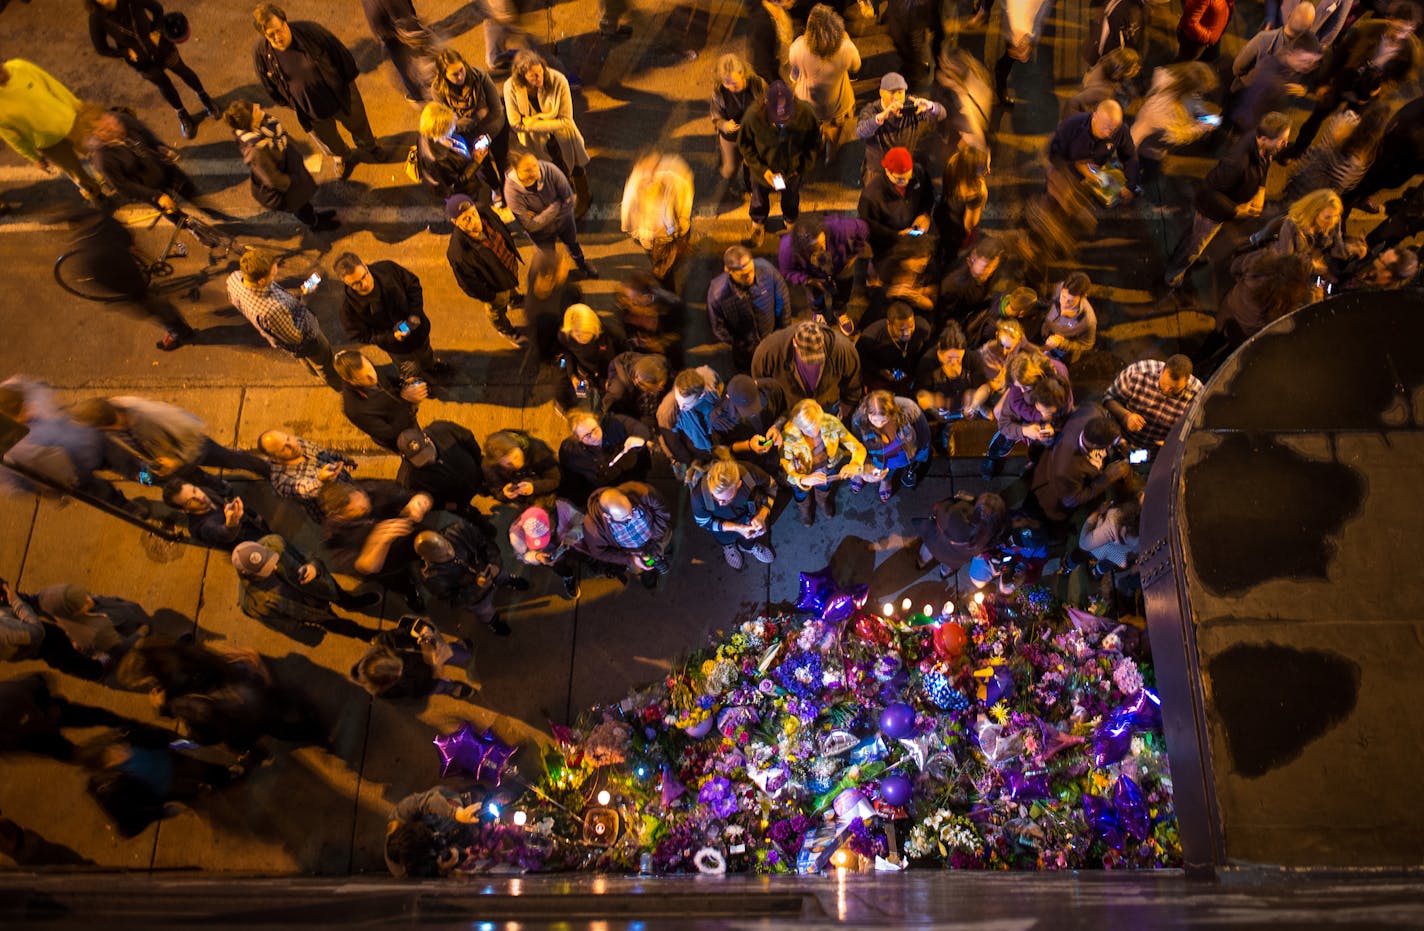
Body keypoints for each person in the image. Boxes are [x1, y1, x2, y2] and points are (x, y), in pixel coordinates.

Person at [252, 2, 381, 178]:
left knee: (358, 122)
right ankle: (342, 157)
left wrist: (348, 83)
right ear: (264, 35)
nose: (277, 37)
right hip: (310, 112)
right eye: (271, 35)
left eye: (279, 29)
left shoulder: (310, 32)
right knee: (329, 141)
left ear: (285, 21)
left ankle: (368, 145)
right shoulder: (261, 53)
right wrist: (293, 103)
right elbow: (269, 85)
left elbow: (339, 53)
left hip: (339, 95)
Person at [1164, 112, 1290, 289]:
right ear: (1263, 139)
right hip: (1211, 212)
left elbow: (1265, 163)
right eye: (1282, 140)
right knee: (1196, 243)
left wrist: (1260, 190)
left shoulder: (1263, 147)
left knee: (1193, 238)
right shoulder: (1236, 162)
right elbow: (1210, 193)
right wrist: (1238, 211)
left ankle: (1184, 259)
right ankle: (1174, 274)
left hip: (1223, 208)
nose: (1285, 144)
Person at [1286, 2, 1423, 158]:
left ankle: (1326, 160)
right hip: (1341, 83)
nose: (1400, 35)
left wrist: (1381, 89)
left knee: (1346, 132)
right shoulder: (1368, 29)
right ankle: (1297, 150)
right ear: (1390, 19)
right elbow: (1339, 55)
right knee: (1315, 118)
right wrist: (1323, 82)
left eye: (1407, 31)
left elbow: (1403, 79)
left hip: (1365, 97)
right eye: (1398, 28)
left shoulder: (1411, 52)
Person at [60, 210, 200, 351]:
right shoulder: (104, 221)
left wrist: (112, 298)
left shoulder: (89, 249)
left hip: (127, 284)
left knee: (151, 306)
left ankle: (179, 332)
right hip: (130, 268)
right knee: (151, 302)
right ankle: (177, 327)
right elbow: (126, 238)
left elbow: (100, 278)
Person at [71, 395, 268, 488]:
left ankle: (268, 471)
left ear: (104, 425)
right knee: (199, 481)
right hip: (166, 465)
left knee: (232, 459)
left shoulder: (149, 415)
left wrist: (178, 461)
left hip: (190, 451)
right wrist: (148, 479)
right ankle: (221, 489)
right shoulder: (111, 432)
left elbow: (192, 427)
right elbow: (133, 470)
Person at [86, 0, 217, 139]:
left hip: (161, 47)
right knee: (165, 85)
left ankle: (205, 98)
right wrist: (125, 52)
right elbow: (101, 48)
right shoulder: (96, 18)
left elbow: (157, 8)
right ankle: (183, 115)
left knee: (182, 70)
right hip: (141, 62)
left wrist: (156, 30)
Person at [0, 378, 134, 512]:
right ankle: (136, 510)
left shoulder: (16, 390)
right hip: (77, 476)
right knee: (107, 496)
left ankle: (149, 480)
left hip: (93, 443)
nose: (29, 410)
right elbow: (16, 483)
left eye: (25, 405)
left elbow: (35, 386)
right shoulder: (15, 448)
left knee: (133, 468)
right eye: (22, 412)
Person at [232, 535, 380, 645]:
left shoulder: (274, 543)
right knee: (338, 625)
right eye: (265, 569)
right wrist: (311, 637)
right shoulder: (253, 603)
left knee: (340, 595)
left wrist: (313, 567)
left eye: (270, 559)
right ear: (249, 574)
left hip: (321, 587)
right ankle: (363, 634)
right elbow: (286, 626)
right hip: (311, 611)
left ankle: (352, 603)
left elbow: (307, 556)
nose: (275, 566)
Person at [226, 249, 342, 388]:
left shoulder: (234, 278)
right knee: (324, 363)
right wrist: (305, 298)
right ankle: (338, 384)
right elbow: (297, 337)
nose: (276, 276)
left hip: (286, 340)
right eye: (273, 274)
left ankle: (316, 373)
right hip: (309, 339)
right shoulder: (271, 311)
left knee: (305, 360)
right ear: (261, 281)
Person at [223, 100, 338, 232]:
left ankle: (314, 217)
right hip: (285, 188)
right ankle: (315, 224)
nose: (258, 108)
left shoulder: (263, 127)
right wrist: (295, 182)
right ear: (250, 122)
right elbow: (274, 180)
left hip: (289, 171)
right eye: (254, 110)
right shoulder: (256, 151)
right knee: (300, 206)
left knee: (304, 202)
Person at [0, 58, 105, 202]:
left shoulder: (20, 66)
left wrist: (76, 104)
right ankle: (96, 195)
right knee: (77, 174)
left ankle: (113, 177)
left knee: (100, 152)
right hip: (49, 144)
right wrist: (34, 158)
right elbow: (13, 138)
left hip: (70, 122)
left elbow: (51, 84)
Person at [335, 252, 446, 381]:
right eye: (356, 284)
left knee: (426, 353)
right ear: (346, 283)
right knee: (410, 369)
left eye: (364, 276)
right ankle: (418, 385)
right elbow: (362, 335)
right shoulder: (347, 309)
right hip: (396, 348)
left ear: (365, 266)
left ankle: (431, 367)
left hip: (418, 332)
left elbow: (413, 286)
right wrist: (391, 337)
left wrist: (415, 314)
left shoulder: (387, 269)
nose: (365, 284)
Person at [321, 481, 431, 609]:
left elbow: (412, 495)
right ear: (338, 515)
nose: (367, 506)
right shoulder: (335, 537)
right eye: (359, 510)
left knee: (428, 551)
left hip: (411, 537)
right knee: (401, 583)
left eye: (364, 498)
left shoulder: (369, 488)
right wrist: (379, 541)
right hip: (389, 567)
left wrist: (420, 501)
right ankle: (411, 594)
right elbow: (366, 568)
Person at [503, 51, 590, 211]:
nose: (540, 77)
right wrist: (542, 123)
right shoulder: (511, 87)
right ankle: (565, 197)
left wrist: (531, 122)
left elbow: (565, 120)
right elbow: (515, 124)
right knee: (549, 171)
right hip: (534, 142)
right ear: (522, 77)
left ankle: (584, 198)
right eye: (533, 76)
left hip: (562, 136)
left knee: (575, 166)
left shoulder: (558, 80)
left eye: (541, 71)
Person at [737, 80, 820, 247]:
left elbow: (814, 142)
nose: (783, 121)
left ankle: (791, 224)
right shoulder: (753, 117)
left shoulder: (806, 114)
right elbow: (745, 145)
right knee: (758, 199)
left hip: (792, 172)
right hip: (762, 173)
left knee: (791, 199)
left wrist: (803, 166)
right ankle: (758, 224)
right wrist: (763, 171)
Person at [85, 110, 209, 218]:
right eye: (104, 129)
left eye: (110, 121)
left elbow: (144, 132)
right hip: (149, 188)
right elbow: (124, 187)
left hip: (163, 167)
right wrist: (156, 197)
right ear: (97, 135)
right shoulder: (103, 160)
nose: (113, 127)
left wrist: (159, 146)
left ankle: (209, 212)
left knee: (192, 193)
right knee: (175, 214)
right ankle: (195, 230)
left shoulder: (121, 119)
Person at [414, 516, 524, 637]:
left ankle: (509, 581)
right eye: (443, 557)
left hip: (490, 569)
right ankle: (493, 622)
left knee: (502, 576)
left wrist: (494, 563)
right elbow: (456, 600)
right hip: (477, 598)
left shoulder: (458, 530)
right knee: (485, 611)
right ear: (428, 558)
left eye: (448, 546)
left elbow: (485, 542)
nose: (450, 554)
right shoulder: (431, 577)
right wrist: (477, 587)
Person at [1029, 403, 1133, 523]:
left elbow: (1107, 422)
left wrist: (1122, 444)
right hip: (1065, 493)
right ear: (1096, 446)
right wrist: (1107, 478)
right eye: (1109, 444)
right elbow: (1072, 500)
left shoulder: (1093, 412)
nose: (1112, 444)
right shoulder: (1066, 470)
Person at [445, 193, 525, 347]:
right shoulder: (458, 253)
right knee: (496, 311)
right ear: (455, 222)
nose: (474, 220)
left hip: (508, 269)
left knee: (511, 288)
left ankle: (514, 299)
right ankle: (505, 330)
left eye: (473, 213)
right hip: (495, 287)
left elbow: (503, 230)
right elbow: (468, 284)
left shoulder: (486, 213)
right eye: (466, 219)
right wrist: (490, 296)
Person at [431, 50, 509, 203]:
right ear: (443, 75)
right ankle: (496, 189)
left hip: (494, 128)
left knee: (502, 160)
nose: (460, 76)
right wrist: (476, 118)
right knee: (483, 166)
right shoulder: (438, 90)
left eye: (461, 70)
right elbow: (448, 124)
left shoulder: (479, 76)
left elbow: (496, 110)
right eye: (454, 74)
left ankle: (508, 190)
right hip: (470, 136)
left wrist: (472, 125)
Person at [505, 152, 597, 280]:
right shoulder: (511, 191)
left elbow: (568, 199)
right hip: (541, 234)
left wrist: (538, 217)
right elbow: (529, 225)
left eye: (535, 164)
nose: (535, 171)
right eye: (527, 169)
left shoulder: (549, 170)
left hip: (564, 222)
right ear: (516, 171)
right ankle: (556, 278)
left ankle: (582, 265)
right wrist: (556, 205)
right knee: (548, 257)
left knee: (573, 244)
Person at [788, 4, 861, 164]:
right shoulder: (845, 48)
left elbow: (794, 69)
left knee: (811, 128)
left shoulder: (799, 47)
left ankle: (816, 147)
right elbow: (856, 66)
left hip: (808, 102)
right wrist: (846, 38)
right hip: (836, 103)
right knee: (835, 128)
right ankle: (831, 153)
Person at [780, 397, 865, 526]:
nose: (814, 432)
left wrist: (855, 463)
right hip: (802, 474)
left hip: (827, 468)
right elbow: (787, 467)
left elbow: (857, 447)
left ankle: (822, 501)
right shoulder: (787, 435)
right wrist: (802, 480)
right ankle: (805, 509)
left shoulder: (830, 422)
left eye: (817, 425)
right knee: (801, 494)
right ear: (797, 425)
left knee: (824, 488)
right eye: (807, 429)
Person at [751, 319, 862, 417]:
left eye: (816, 357)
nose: (812, 363)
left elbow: (853, 385)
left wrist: (845, 410)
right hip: (789, 411)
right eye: (807, 357)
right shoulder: (769, 351)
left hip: (826, 408)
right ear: (794, 343)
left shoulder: (843, 350)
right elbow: (761, 385)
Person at [352, 614, 476, 700]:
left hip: (425, 653)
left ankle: (458, 648)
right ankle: (450, 688)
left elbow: (411, 630)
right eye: (396, 677)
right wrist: (430, 679)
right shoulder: (382, 691)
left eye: (398, 664)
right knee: (438, 686)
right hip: (423, 681)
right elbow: (413, 692)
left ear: (385, 652)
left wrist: (425, 641)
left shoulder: (385, 640)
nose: (401, 670)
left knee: (459, 655)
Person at [706, 245, 789, 372]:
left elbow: (782, 302)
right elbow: (718, 326)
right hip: (744, 349)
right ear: (728, 270)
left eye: (751, 270)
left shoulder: (768, 272)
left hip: (771, 338)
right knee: (747, 371)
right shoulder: (717, 293)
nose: (750, 276)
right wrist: (739, 343)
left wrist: (781, 333)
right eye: (744, 275)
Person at [779, 213, 870, 328]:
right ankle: (818, 311)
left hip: (841, 265)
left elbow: (863, 228)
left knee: (844, 289)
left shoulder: (839, 227)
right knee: (815, 294)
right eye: (814, 248)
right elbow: (787, 272)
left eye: (822, 244)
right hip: (812, 274)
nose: (822, 249)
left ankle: (840, 311)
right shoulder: (787, 248)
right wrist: (808, 280)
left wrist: (854, 254)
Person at [578, 483, 674, 589]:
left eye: (631, 510)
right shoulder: (593, 529)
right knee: (645, 565)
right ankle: (649, 572)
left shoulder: (641, 491)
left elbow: (662, 508)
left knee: (663, 546)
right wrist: (631, 559)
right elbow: (600, 553)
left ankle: (663, 552)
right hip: (637, 555)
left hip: (657, 537)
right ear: (607, 517)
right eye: (625, 518)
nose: (632, 516)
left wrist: (657, 537)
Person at [854, 72, 948, 181]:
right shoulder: (871, 109)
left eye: (899, 92)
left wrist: (931, 106)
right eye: (891, 93)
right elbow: (860, 132)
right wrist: (882, 116)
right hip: (879, 169)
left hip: (903, 165)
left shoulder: (911, 104)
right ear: (881, 93)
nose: (896, 98)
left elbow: (942, 114)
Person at [1130, 63, 1219, 178]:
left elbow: (1195, 106)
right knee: (1147, 175)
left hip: (1157, 150)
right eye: (1199, 90)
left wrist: (1205, 117)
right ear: (1188, 86)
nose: (1200, 94)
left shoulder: (1176, 85)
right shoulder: (1160, 111)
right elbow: (1136, 137)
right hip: (1148, 153)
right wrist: (1199, 128)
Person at [691, 452, 777, 569]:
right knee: (725, 539)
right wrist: (737, 528)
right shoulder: (699, 494)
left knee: (750, 537)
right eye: (714, 496)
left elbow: (771, 486)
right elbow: (704, 522)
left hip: (747, 517)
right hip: (722, 527)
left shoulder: (748, 474)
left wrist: (762, 514)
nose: (720, 503)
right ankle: (729, 546)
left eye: (726, 499)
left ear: (739, 484)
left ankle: (748, 546)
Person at [620, 151, 694, 284]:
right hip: (657, 241)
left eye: (654, 169)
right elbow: (629, 224)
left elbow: (685, 200)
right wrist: (651, 235)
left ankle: (677, 258)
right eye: (645, 172)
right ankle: (667, 285)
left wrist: (677, 226)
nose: (650, 176)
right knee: (664, 271)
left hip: (677, 231)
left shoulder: (674, 174)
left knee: (679, 250)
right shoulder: (633, 194)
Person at [914, 322, 988, 455]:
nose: (954, 362)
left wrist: (974, 404)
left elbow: (983, 387)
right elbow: (921, 394)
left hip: (964, 406)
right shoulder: (928, 361)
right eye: (949, 358)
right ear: (939, 352)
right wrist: (936, 409)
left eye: (958, 358)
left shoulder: (971, 358)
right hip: (940, 410)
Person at [334, 349, 427, 452]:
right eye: (364, 378)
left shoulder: (366, 369)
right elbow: (391, 434)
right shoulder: (354, 410)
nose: (373, 377)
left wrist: (403, 384)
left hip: (406, 416)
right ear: (351, 381)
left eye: (370, 369)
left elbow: (387, 382)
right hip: (401, 439)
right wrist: (407, 403)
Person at [1048, 99, 1140, 201]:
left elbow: (1130, 156)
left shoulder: (1122, 130)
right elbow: (1055, 154)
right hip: (1068, 172)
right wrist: (1079, 166)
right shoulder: (1072, 125)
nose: (1109, 134)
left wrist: (1130, 185)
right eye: (1106, 127)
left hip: (1096, 174)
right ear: (1095, 116)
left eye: (1114, 129)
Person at [395, 424, 488, 525]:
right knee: (473, 519)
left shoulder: (442, 430)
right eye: (421, 460)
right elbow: (427, 502)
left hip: (478, 474)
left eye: (427, 453)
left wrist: (479, 461)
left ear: (427, 438)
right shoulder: (408, 481)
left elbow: (467, 438)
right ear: (406, 459)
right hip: (459, 500)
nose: (429, 460)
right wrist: (450, 506)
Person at [1103, 355, 1203, 448]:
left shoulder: (1197, 394)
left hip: (1161, 450)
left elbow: (1199, 430)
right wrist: (1126, 416)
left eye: (1173, 389)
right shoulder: (1137, 373)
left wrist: (1175, 442)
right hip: (1121, 439)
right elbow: (1108, 398)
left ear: (1187, 381)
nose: (1166, 390)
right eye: (1164, 384)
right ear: (1163, 370)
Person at [849, 389, 929, 502]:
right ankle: (859, 475)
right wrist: (862, 466)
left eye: (884, 420)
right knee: (862, 469)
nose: (879, 424)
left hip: (895, 456)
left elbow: (923, 433)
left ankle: (886, 479)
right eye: (874, 420)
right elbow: (856, 444)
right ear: (867, 413)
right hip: (872, 455)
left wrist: (920, 455)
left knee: (890, 469)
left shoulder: (906, 413)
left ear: (892, 413)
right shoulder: (858, 421)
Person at [1269, 188, 1367, 280]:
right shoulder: (1293, 225)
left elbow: (1336, 247)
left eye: (1336, 216)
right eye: (1327, 217)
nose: (1332, 221)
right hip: (1293, 272)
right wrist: (1312, 265)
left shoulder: (1335, 221)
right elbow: (1285, 259)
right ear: (1314, 213)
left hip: (1315, 271)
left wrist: (1351, 249)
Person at [558, 409, 651, 505]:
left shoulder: (614, 424)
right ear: (578, 438)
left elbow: (638, 428)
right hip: (604, 493)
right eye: (587, 435)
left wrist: (638, 437)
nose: (594, 436)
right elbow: (572, 481)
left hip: (630, 477)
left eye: (595, 429)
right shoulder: (570, 452)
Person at [383, 787, 480, 878]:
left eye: (430, 834)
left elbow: (429, 800)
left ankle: (465, 806)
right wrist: (442, 869)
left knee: (443, 806)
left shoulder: (401, 814)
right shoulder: (407, 872)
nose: (434, 834)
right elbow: (429, 872)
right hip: (435, 849)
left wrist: (457, 814)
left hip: (440, 807)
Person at [258, 430, 351, 522]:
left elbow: (323, 451)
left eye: (288, 438)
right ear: (275, 458)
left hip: (349, 486)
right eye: (284, 448)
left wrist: (344, 460)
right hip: (337, 513)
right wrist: (321, 480)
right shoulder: (281, 480)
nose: (292, 445)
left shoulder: (298, 442)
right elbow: (305, 490)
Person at [858, 146, 935, 258]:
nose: (905, 182)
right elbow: (869, 226)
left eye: (908, 177)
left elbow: (928, 196)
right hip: (888, 246)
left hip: (914, 235)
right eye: (900, 179)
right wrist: (896, 236)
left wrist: (924, 215)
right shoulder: (871, 195)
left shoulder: (919, 173)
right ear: (887, 171)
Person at [913, 491, 1008, 580]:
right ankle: (944, 573)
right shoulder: (990, 537)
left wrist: (957, 498)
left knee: (928, 549)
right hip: (956, 559)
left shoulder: (958, 512)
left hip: (936, 543)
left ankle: (921, 562)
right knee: (949, 565)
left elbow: (940, 508)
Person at [710, 54, 767, 197]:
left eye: (734, 83)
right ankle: (725, 191)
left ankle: (751, 188)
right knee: (730, 168)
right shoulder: (719, 92)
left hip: (752, 135)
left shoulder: (757, 85)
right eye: (726, 83)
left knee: (752, 163)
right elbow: (715, 116)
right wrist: (723, 124)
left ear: (743, 75)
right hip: (731, 137)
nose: (730, 87)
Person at [710, 373, 788, 474]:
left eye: (755, 405)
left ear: (756, 384)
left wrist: (777, 426)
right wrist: (748, 445)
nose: (753, 413)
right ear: (728, 398)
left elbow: (785, 411)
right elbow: (724, 450)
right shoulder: (719, 419)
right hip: (752, 464)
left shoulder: (772, 388)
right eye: (746, 410)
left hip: (777, 453)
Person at [361, 0, 437, 103]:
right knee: (417, 58)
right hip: (399, 27)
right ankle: (428, 93)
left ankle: (418, 94)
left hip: (393, 30)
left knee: (405, 62)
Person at [657, 366, 723, 484]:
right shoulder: (667, 412)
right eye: (678, 399)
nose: (681, 407)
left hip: (713, 440)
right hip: (696, 449)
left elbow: (720, 390)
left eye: (686, 404)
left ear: (701, 395)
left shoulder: (708, 379)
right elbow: (674, 444)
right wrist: (690, 461)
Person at [161, 479, 270, 549]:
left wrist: (254, 516)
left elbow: (221, 500)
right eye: (190, 501)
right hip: (246, 540)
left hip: (249, 523)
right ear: (184, 510)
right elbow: (222, 533)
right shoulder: (202, 527)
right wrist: (231, 525)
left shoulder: (204, 491)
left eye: (194, 490)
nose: (199, 497)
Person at [508, 503, 584, 600]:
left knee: (581, 554)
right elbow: (523, 555)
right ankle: (568, 576)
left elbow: (585, 523)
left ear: (550, 516)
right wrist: (537, 556)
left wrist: (573, 535)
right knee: (558, 566)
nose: (543, 544)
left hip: (571, 542)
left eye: (547, 533)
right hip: (552, 551)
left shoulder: (564, 509)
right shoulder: (516, 535)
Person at [414, 102, 488, 201]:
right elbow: (458, 181)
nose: (454, 126)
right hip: (462, 191)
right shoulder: (439, 160)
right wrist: (476, 163)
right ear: (440, 132)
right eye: (450, 126)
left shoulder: (425, 135)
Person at [858, 301, 931, 396]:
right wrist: (879, 371)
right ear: (889, 323)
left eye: (911, 326)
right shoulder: (871, 337)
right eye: (901, 329)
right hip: (881, 377)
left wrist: (913, 373)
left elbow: (925, 354)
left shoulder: (922, 329)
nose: (907, 333)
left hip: (909, 375)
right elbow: (861, 359)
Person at [556, 304, 621, 407]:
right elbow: (568, 353)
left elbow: (622, 356)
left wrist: (613, 378)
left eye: (587, 332)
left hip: (609, 372)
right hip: (586, 373)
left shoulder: (609, 332)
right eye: (577, 334)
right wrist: (572, 376)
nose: (583, 338)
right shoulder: (564, 336)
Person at [526, 248, 584, 362]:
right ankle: (548, 357)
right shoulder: (556, 286)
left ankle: (547, 354)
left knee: (544, 339)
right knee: (547, 340)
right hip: (549, 320)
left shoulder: (538, 271)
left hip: (544, 319)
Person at [616, 272, 686, 367]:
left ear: (647, 297)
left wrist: (650, 344)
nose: (630, 304)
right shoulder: (626, 305)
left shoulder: (669, 309)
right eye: (629, 299)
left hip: (663, 356)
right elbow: (627, 332)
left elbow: (674, 342)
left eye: (635, 301)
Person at [936, 143, 990, 264]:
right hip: (958, 224)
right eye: (982, 168)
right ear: (970, 169)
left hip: (944, 211)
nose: (987, 171)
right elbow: (970, 223)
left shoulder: (953, 163)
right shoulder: (977, 191)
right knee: (954, 253)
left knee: (943, 241)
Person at [936, 236, 1004, 329]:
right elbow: (944, 314)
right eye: (987, 267)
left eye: (994, 265)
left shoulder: (990, 269)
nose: (991, 270)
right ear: (973, 257)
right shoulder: (953, 284)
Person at [482, 429, 560, 510]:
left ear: (519, 447)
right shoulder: (489, 466)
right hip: (519, 504)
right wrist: (504, 494)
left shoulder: (538, 449)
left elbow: (555, 479)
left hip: (548, 496)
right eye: (508, 464)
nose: (516, 464)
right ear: (498, 463)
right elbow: (496, 491)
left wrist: (534, 487)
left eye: (516, 457)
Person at [1040, 272, 1097, 364]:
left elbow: (1086, 346)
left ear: (1083, 297)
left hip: (1063, 354)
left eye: (1070, 301)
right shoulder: (1059, 287)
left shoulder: (1088, 320)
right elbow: (1051, 303)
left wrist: (1062, 343)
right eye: (1063, 296)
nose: (1064, 303)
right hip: (1045, 334)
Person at [603, 351, 670, 429]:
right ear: (641, 383)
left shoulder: (660, 363)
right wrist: (638, 419)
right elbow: (604, 408)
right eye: (657, 387)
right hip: (636, 412)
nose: (661, 389)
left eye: (662, 385)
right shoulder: (618, 390)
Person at [747, 0, 795, 85]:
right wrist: (777, 85)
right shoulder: (761, 24)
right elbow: (762, 63)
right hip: (772, 66)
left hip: (781, 56)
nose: (793, 1)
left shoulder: (777, 8)